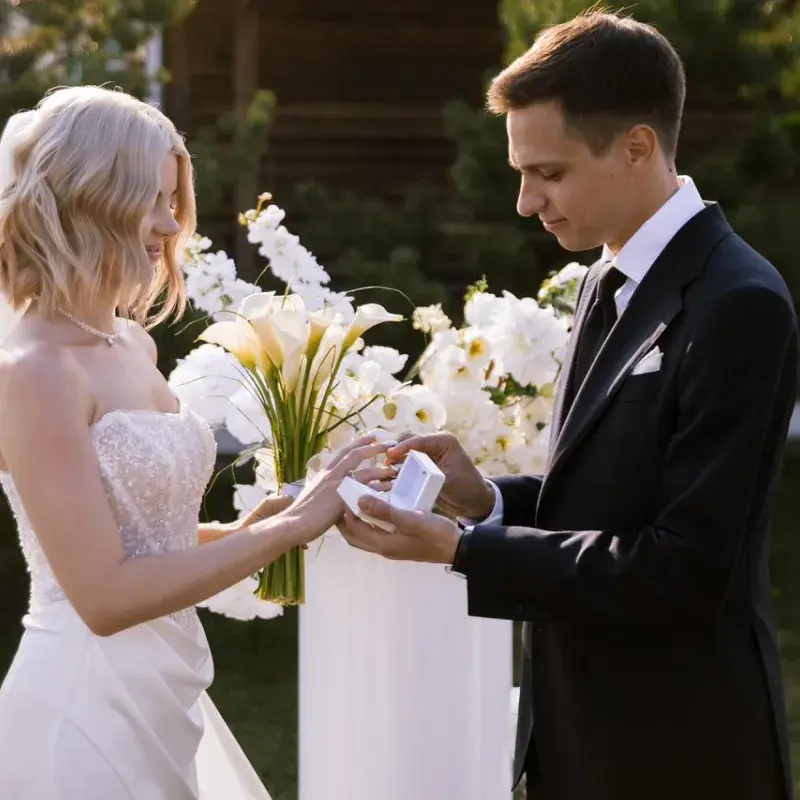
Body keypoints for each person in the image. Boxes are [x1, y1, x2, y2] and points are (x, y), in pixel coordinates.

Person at [338, 10, 798, 800]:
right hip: (577, 740)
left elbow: (686, 568)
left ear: (637, 147)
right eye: (522, 173)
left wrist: (462, 551)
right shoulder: (602, 280)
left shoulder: (739, 302)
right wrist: (484, 500)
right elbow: (609, 500)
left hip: (680, 749)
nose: (526, 202)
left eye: (548, 173)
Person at [0, 86, 393, 800]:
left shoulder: (131, 343)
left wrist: (259, 525)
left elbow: (144, 544)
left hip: (163, 696)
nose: (169, 223)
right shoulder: (32, 372)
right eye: (148, 199)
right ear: (88, 198)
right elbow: (103, 596)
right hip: (82, 711)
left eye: (171, 198)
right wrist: (288, 532)